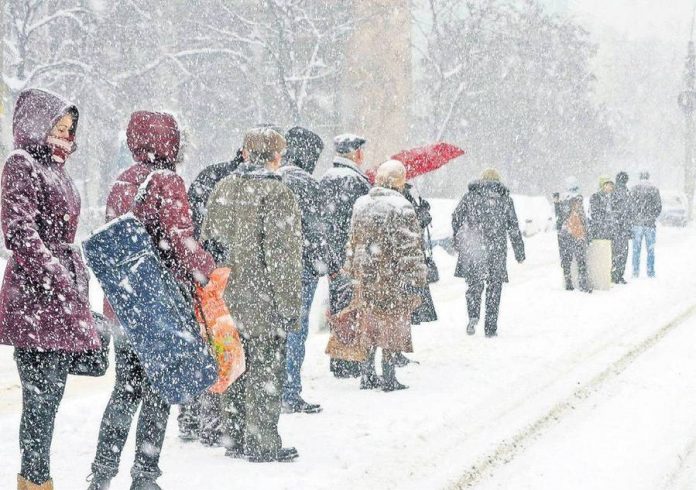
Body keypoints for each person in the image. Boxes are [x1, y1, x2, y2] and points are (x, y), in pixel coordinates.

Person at [88, 111, 215, 490]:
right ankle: (144, 475)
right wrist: (208, 266)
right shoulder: (167, 181)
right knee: (159, 389)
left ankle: (101, 473)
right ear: (169, 142)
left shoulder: (122, 181)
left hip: (124, 307)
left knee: (124, 391)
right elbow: (181, 240)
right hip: (159, 308)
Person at [0, 88, 100, 490]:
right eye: (57, 127)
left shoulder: (57, 168)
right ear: (37, 123)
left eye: (69, 129)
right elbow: (19, 232)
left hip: (58, 297)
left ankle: (36, 479)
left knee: (49, 401)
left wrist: (72, 282)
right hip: (35, 298)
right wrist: (57, 276)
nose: (64, 135)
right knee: (39, 404)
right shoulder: (21, 164)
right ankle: (35, 481)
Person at [202, 127, 302, 462]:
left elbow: (207, 243)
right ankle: (262, 442)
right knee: (265, 371)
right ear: (276, 156)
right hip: (263, 300)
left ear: (246, 153)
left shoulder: (222, 188)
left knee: (233, 366)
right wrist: (289, 307)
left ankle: (234, 437)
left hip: (225, 299)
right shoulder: (277, 193)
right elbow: (283, 258)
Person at [178, 148, 244, 445]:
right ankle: (212, 423)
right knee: (222, 347)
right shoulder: (236, 184)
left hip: (198, 273)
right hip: (219, 277)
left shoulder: (211, 175)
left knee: (201, 343)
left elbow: (190, 224)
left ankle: (190, 417)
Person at [345, 160, 426, 391]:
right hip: (391, 276)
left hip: (366, 275)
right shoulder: (401, 206)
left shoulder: (361, 204)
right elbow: (410, 249)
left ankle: (367, 374)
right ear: (399, 180)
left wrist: (352, 269)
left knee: (369, 323)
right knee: (392, 324)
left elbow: (353, 241)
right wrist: (416, 279)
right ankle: (389, 375)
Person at [278, 126, 327, 414]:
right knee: (295, 330)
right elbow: (317, 231)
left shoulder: (273, 176)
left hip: (271, 268)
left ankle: (269, 391)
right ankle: (289, 391)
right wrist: (325, 265)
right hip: (300, 269)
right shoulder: (307, 183)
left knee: (271, 332)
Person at [319, 134, 371, 379]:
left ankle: (340, 360)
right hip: (350, 255)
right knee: (352, 308)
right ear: (355, 153)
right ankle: (348, 361)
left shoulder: (327, 178)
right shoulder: (355, 181)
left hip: (332, 255)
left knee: (339, 306)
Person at [452, 169, 525, 337]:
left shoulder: (470, 197)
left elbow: (456, 217)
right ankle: (490, 328)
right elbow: (513, 227)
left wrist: (460, 237)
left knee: (474, 285)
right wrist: (519, 253)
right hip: (496, 250)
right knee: (494, 288)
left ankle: (473, 315)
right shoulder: (505, 199)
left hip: (474, 249)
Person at [554, 177, 592, 293]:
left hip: (565, 234)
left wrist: (556, 203)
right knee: (580, 260)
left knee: (567, 260)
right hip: (576, 233)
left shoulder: (563, 200)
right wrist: (587, 233)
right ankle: (582, 284)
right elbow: (582, 217)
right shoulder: (577, 199)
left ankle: (569, 283)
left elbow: (559, 219)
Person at [631, 171, 662, 278]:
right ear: (648, 177)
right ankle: (650, 271)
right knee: (650, 250)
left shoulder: (634, 189)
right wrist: (652, 217)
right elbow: (658, 206)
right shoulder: (654, 189)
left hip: (637, 223)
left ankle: (635, 271)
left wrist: (635, 216)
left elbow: (630, 206)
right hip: (650, 224)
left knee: (636, 250)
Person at [611, 171, 633, 284]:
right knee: (623, 253)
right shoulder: (627, 192)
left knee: (615, 252)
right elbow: (630, 211)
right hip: (623, 228)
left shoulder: (613, 191)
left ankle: (614, 274)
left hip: (615, 227)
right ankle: (618, 275)